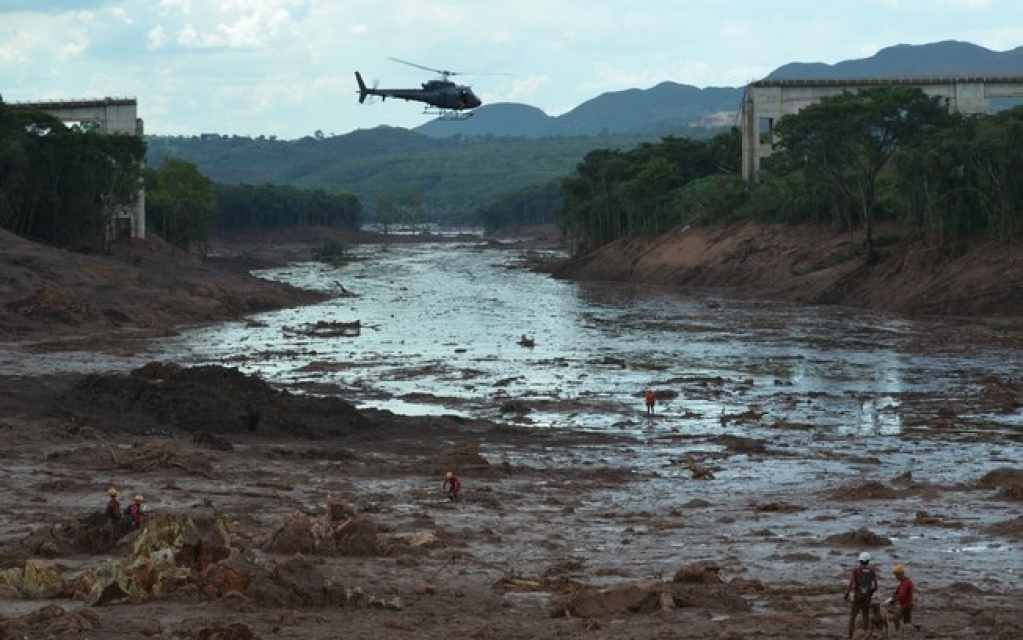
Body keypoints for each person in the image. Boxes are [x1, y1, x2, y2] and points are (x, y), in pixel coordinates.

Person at [844, 551, 878, 639]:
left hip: (857, 597)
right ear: (868, 561)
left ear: (860, 561)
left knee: (853, 617)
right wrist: (871, 593)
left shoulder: (856, 570)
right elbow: (876, 585)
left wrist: (847, 594)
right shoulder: (871, 571)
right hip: (867, 598)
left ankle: (850, 636)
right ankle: (864, 635)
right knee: (865, 616)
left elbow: (851, 583)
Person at [891, 564, 917, 634]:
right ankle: (911, 632)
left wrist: (893, 600)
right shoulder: (905, 581)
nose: (895, 577)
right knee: (907, 622)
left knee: (895, 618)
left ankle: (898, 632)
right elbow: (898, 592)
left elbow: (901, 595)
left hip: (906, 605)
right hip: (908, 604)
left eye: (896, 575)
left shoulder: (905, 583)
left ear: (900, 574)